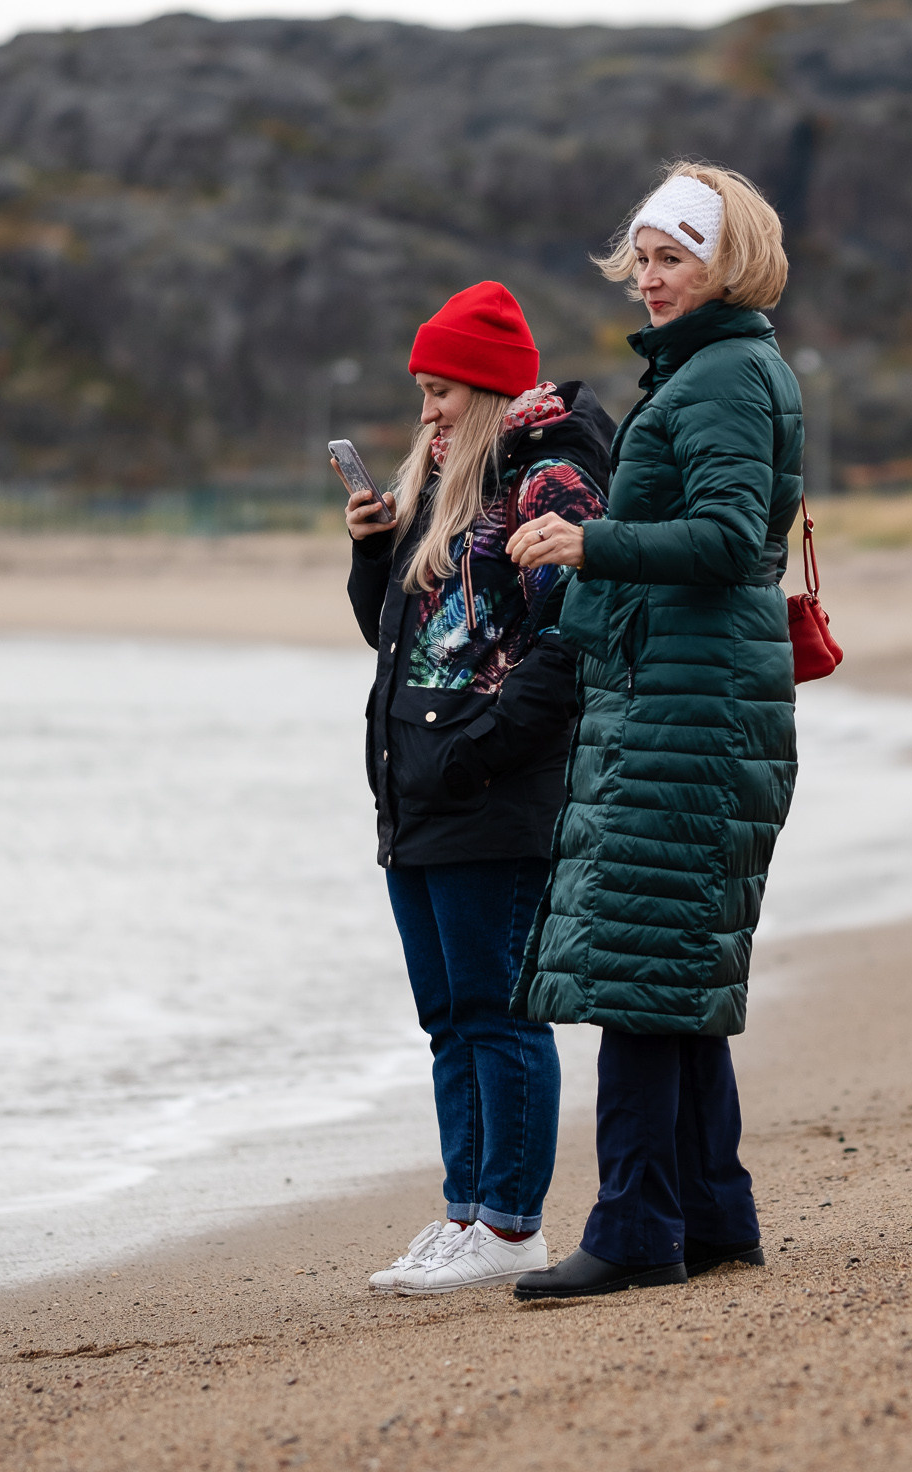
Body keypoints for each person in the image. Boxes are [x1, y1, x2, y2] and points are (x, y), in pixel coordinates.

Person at [501, 161, 801, 1299]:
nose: (650, 279)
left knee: (637, 969)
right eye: (643, 257)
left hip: (695, 708)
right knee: (671, 970)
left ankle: (633, 1225)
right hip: (692, 697)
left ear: (725, 261)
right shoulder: (717, 368)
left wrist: (592, 544)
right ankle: (713, 1215)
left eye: (673, 256)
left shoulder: (722, 376)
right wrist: (581, 571)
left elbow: (730, 538)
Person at [346, 282, 612, 1293]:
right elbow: (398, 638)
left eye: (442, 390)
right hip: (416, 794)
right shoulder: (447, 487)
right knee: (448, 1016)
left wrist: (484, 747)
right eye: (420, 390)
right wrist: (374, 549)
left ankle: (510, 1226)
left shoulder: (548, 482)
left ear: (492, 388)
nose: (426, 412)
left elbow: (575, 635)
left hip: (491, 793)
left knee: (498, 1013)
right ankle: (465, 1211)